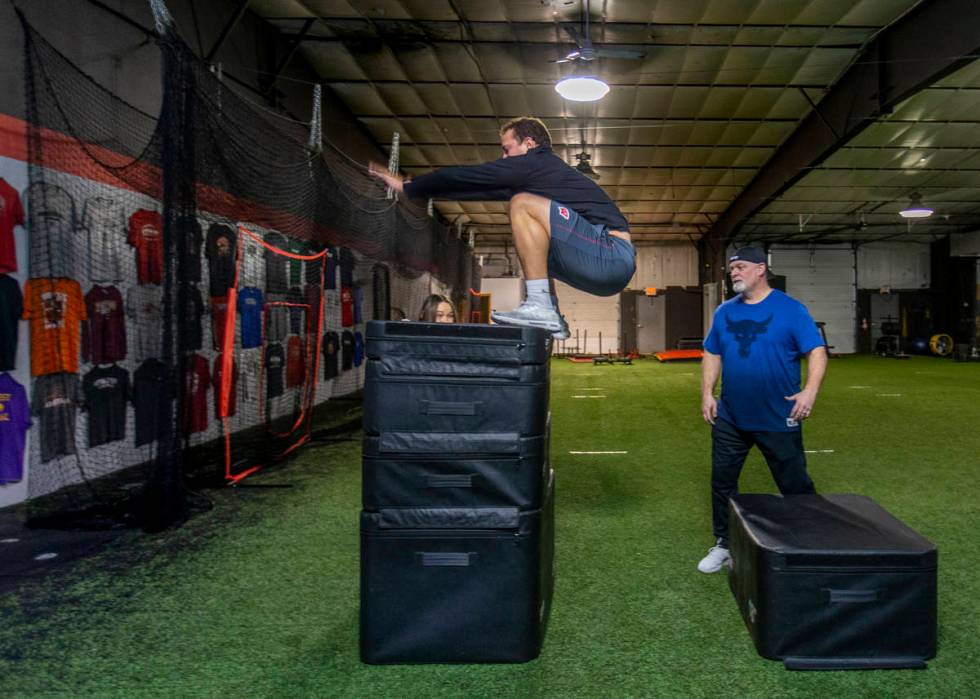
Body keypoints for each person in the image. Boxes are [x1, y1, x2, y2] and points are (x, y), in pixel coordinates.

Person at [368, 116, 635, 339]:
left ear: (528, 144)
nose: (503, 156)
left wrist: (409, 187)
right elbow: (475, 190)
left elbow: (471, 176)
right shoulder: (537, 178)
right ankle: (550, 313)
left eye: (506, 149)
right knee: (532, 239)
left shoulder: (539, 163)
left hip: (612, 255)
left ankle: (541, 305)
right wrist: (423, 192)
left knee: (521, 204)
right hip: (602, 267)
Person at [698, 247, 828, 574]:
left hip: (778, 416)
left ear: (760, 269)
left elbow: (816, 350)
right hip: (731, 416)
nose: (734, 273)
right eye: (731, 269)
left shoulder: (790, 310)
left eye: (740, 267)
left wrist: (809, 391)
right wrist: (707, 394)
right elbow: (712, 353)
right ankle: (724, 543)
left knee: (794, 483)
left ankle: (813, 541)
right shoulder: (724, 312)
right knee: (722, 482)